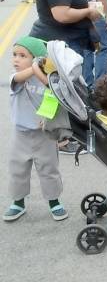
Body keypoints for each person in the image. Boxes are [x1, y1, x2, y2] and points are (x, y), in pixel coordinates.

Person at [29, 0, 102, 155]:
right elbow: (61, 14)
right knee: (60, 92)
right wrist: (89, 11)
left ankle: (52, 134)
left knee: (56, 91)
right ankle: (60, 139)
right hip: (61, 42)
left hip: (63, 41)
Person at [3, 36, 68, 222]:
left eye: (22, 55)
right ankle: (18, 202)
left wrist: (47, 117)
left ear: (37, 59)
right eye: (14, 55)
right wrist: (36, 66)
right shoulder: (16, 78)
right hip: (20, 134)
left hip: (44, 135)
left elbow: (54, 99)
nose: (16, 59)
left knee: (49, 169)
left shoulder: (48, 81)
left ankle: (54, 202)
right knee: (18, 169)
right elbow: (21, 76)